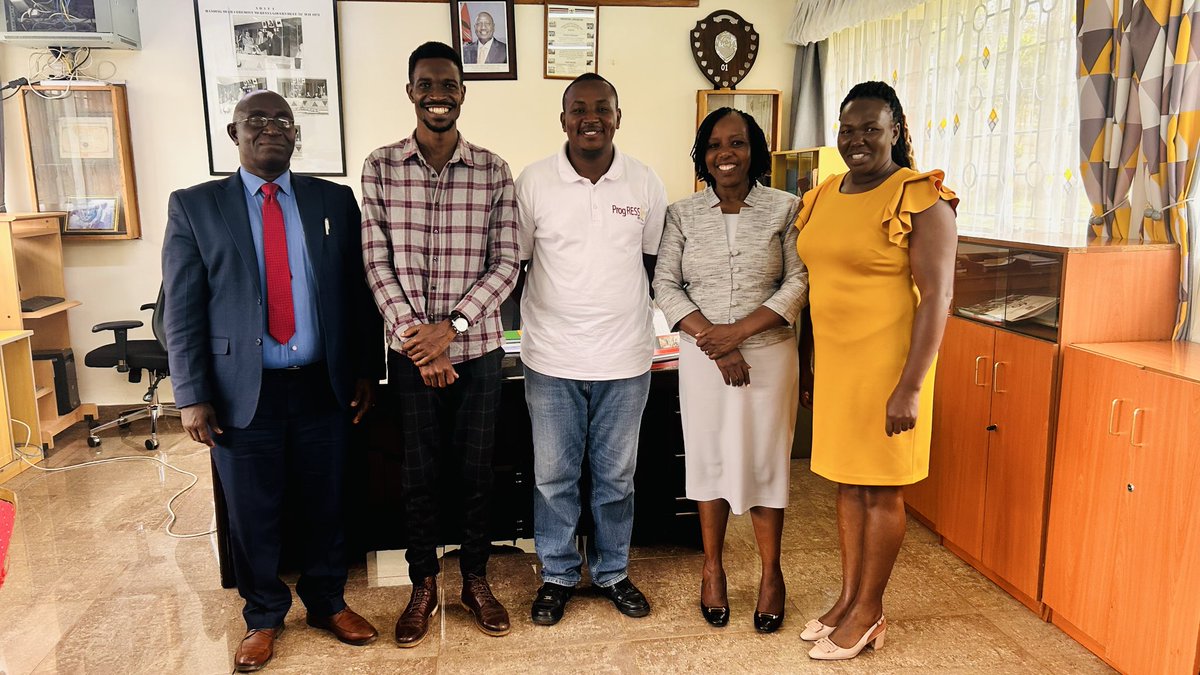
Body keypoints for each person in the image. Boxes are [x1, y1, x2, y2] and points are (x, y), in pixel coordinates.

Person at [162, 90, 383, 673]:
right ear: (233, 135)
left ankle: (328, 602)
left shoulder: (332, 200)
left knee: (327, 503)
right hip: (242, 391)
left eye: (283, 120)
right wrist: (191, 395)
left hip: (323, 384)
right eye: (255, 121)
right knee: (252, 511)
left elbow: (357, 295)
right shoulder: (195, 206)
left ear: (296, 134)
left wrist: (366, 368)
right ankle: (262, 616)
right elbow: (181, 310)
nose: (270, 129)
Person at [361, 41, 519, 647]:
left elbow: (507, 264)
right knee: (419, 476)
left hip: (477, 352)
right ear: (411, 92)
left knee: (477, 472)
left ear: (461, 92)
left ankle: (475, 579)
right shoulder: (380, 167)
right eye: (426, 85)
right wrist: (420, 344)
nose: (437, 95)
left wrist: (449, 330)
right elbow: (376, 263)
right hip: (408, 355)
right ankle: (423, 583)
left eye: (447, 85)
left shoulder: (493, 169)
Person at [794, 80, 958, 660]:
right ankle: (847, 597)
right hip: (838, 363)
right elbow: (816, 286)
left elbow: (937, 297)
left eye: (871, 128)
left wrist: (910, 386)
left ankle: (870, 611)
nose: (857, 140)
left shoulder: (920, 197)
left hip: (892, 365)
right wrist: (809, 362)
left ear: (895, 131)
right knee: (848, 481)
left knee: (881, 488)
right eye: (847, 129)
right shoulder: (824, 193)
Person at [515, 72, 667, 626]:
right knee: (553, 476)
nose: (590, 118)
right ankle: (557, 574)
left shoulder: (644, 182)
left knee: (615, 477)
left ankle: (611, 572)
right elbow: (519, 263)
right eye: (579, 108)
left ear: (617, 117)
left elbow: (652, 265)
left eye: (602, 108)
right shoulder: (533, 182)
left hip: (626, 358)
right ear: (563, 119)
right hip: (551, 357)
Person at [652, 108, 807, 633]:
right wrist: (715, 343)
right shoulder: (681, 213)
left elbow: (798, 282)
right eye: (715, 143)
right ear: (703, 153)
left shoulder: (787, 208)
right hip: (703, 358)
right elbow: (666, 286)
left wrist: (737, 334)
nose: (726, 153)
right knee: (709, 459)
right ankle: (712, 569)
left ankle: (770, 575)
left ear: (754, 149)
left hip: (769, 355)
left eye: (737, 143)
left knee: (766, 464)